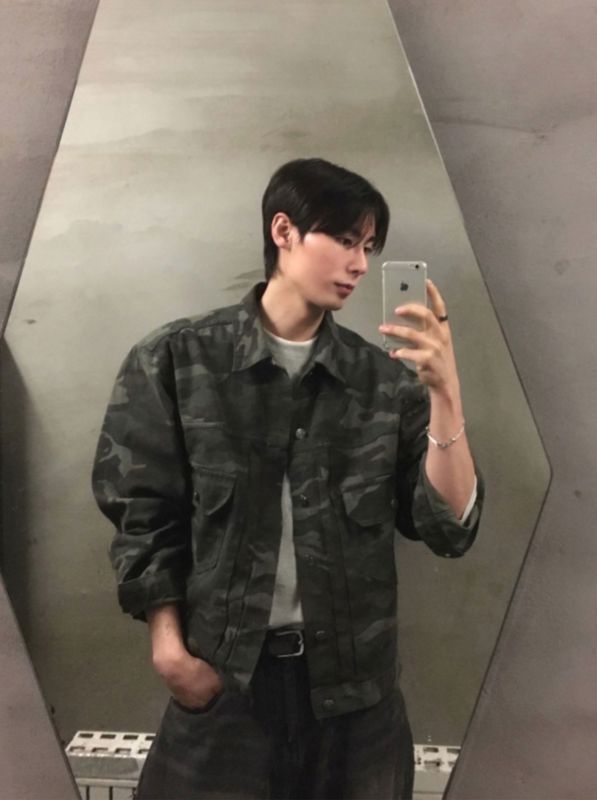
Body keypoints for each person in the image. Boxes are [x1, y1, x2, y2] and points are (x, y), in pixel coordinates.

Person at [92, 157, 483, 800]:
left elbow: (448, 529)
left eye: (368, 247)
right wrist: (169, 650)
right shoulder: (176, 360)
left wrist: (447, 394)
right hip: (224, 689)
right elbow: (142, 514)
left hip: (356, 706)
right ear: (284, 231)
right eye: (345, 240)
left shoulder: (383, 383)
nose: (360, 264)